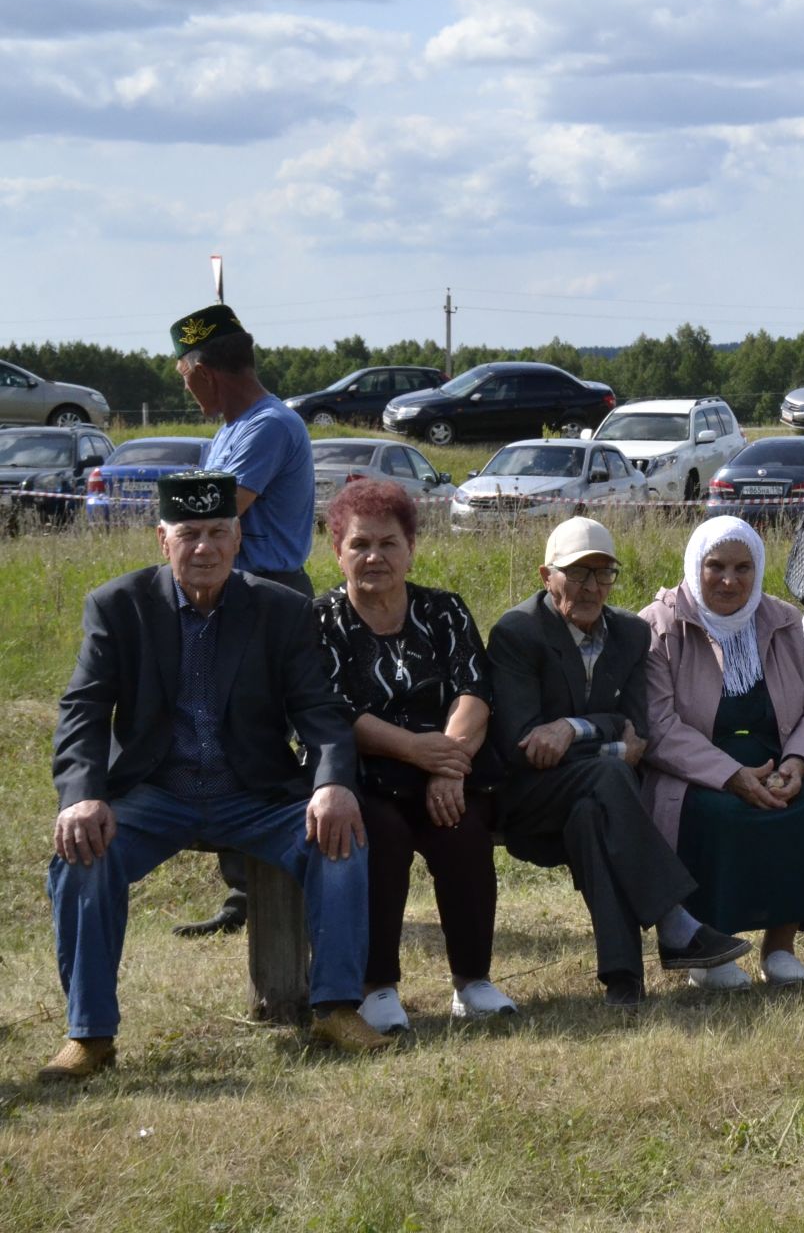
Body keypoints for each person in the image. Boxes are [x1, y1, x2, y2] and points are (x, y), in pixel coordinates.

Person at [43, 471, 388, 1081]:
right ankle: (90, 1035)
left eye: (219, 533)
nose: (204, 548)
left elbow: (320, 711)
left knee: (342, 836)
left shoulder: (281, 611)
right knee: (81, 853)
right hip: (155, 793)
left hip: (253, 793)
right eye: (190, 533)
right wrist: (82, 795)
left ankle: (335, 1006)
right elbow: (84, 709)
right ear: (162, 539)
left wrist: (333, 781)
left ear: (239, 538)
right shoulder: (118, 606)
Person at [487, 516, 751, 1008]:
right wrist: (605, 737)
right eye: (578, 574)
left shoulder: (630, 633)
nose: (592, 587)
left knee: (594, 809)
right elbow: (524, 745)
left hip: (597, 799)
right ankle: (674, 922)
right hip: (528, 800)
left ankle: (624, 980)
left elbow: (638, 734)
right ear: (547, 576)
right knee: (609, 773)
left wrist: (572, 728)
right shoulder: (517, 632)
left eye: (603, 574)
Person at [313, 479, 516, 1034]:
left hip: (446, 767)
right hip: (366, 775)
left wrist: (448, 764)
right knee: (379, 834)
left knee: (464, 828)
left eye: (388, 543)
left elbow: (475, 691)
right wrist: (417, 752)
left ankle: (472, 982)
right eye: (359, 545)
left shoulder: (443, 610)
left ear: (411, 549)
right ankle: (376, 986)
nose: (374, 556)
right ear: (338, 552)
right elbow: (333, 712)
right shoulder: (320, 621)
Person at [640, 517, 804, 989]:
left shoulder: (782, 620)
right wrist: (732, 775)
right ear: (695, 565)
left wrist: (797, 764)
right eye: (716, 566)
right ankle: (710, 951)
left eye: (742, 567)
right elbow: (660, 724)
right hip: (694, 771)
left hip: (778, 760)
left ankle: (780, 946)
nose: (729, 580)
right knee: (718, 814)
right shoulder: (661, 625)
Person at [171, 305, 320, 936]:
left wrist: (168, 506)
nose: (182, 387)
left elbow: (212, 506)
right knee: (222, 733)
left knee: (259, 737)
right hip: (228, 594)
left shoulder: (268, 426)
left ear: (203, 371)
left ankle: (287, 873)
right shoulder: (232, 428)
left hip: (268, 595)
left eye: (183, 374)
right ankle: (247, 890)